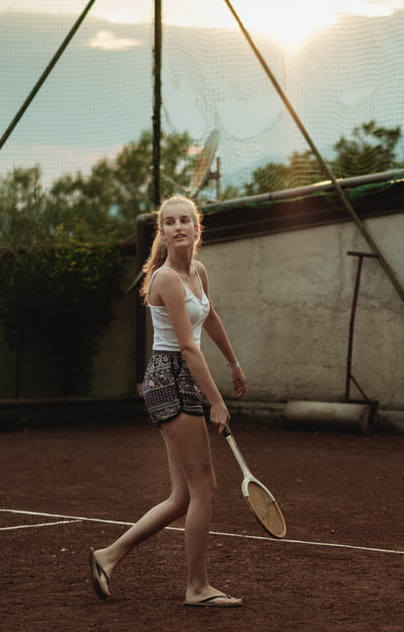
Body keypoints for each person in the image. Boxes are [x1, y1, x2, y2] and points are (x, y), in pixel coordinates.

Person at [89, 195, 247, 608]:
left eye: (185, 221)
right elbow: (188, 350)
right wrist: (217, 402)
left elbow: (209, 317)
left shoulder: (197, 271)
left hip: (181, 380)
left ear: (197, 228)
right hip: (170, 379)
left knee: (183, 498)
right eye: (169, 222)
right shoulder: (166, 279)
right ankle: (197, 588)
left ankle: (108, 556)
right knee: (205, 490)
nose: (177, 227)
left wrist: (233, 362)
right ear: (162, 232)